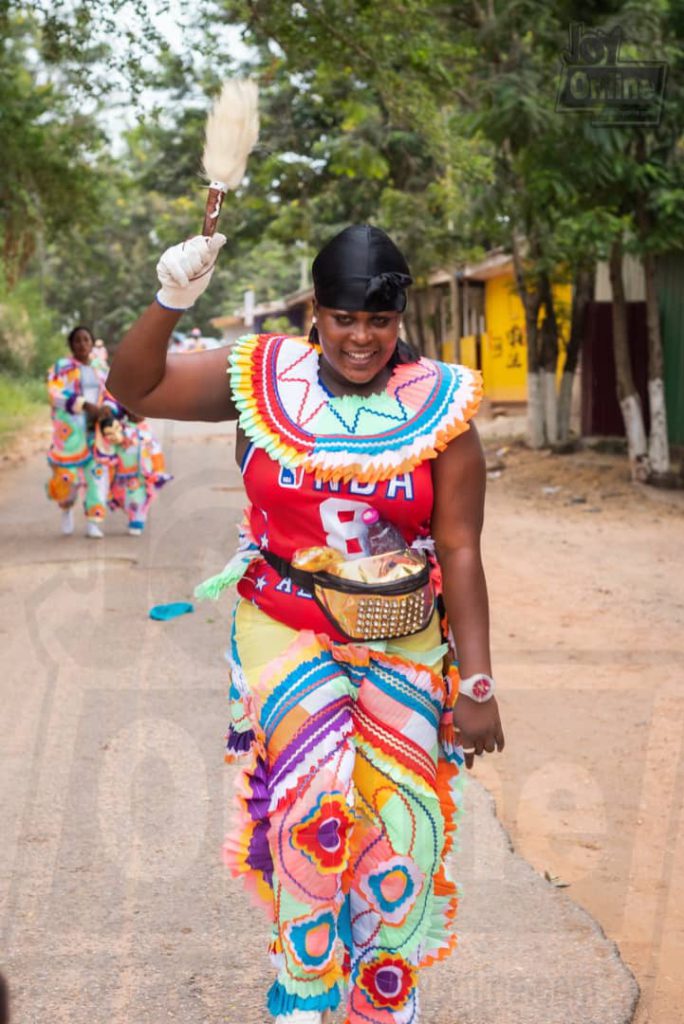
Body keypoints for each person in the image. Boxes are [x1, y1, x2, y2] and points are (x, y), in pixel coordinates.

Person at [107, 225, 505, 1024]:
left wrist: (481, 684)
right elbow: (135, 387)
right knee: (314, 799)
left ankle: (384, 990)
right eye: (344, 319)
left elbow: (460, 548)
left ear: (400, 318)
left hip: (406, 637)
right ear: (315, 313)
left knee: (401, 821)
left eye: (380, 322)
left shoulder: (441, 405)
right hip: (284, 624)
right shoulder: (263, 377)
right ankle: (305, 981)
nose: (362, 339)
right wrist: (171, 298)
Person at [46, 325, 110, 539]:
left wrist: (109, 409)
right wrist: (83, 405)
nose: (82, 344)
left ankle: (93, 522)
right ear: (71, 345)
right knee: (67, 478)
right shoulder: (61, 367)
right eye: (77, 341)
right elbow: (54, 394)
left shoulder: (101, 367)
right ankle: (66, 510)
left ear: (92, 343)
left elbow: (111, 393)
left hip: (97, 433)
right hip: (71, 435)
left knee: (97, 477)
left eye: (86, 340)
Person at [96, 401, 172, 536]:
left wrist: (158, 469)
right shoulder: (121, 427)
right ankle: (133, 514)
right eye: (131, 410)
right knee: (123, 497)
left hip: (142, 473)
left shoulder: (147, 430)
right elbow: (112, 442)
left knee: (139, 498)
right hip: (122, 471)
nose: (135, 414)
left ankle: (137, 519)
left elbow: (155, 451)